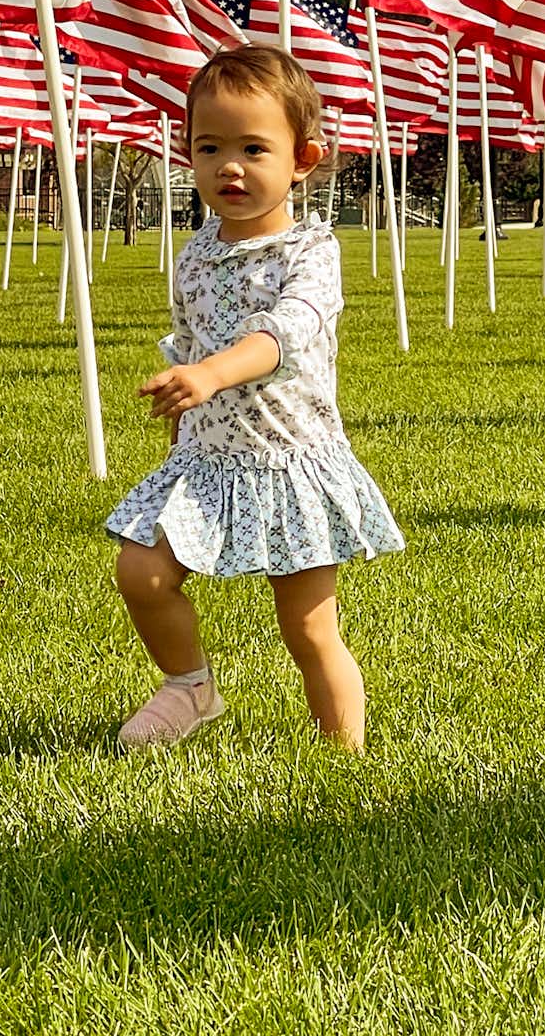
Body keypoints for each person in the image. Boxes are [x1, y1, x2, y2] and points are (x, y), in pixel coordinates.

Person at [106, 46, 404, 751]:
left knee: (306, 625)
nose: (229, 166)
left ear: (304, 157)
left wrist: (212, 374)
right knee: (141, 571)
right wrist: (184, 407)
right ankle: (190, 688)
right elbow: (188, 336)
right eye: (209, 148)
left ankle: (344, 754)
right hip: (208, 461)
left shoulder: (311, 253)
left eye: (252, 148)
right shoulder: (197, 251)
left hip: (291, 463)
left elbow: (282, 337)